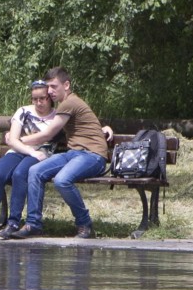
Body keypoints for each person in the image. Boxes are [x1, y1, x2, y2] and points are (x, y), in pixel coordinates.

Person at [7, 66, 113, 240]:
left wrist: (16, 140)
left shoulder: (69, 103)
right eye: (48, 87)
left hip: (93, 156)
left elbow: (48, 134)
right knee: (35, 171)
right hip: (74, 153)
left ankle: (85, 224)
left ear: (66, 85)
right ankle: (33, 224)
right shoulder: (68, 104)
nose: (50, 91)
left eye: (53, 87)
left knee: (62, 180)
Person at [0, 81, 60, 240]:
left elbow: (82, 124)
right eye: (34, 99)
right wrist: (29, 150)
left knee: (20, 174)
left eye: (42, 98)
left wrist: (105, 128)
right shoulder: (23, 111)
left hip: (42, 155)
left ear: (50, 98)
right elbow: (13, 140)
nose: (38, 103)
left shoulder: (57, 116)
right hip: (20, 150)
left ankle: (13, 222)